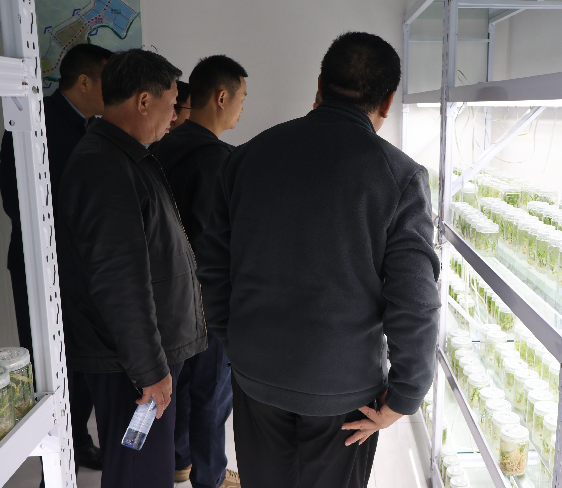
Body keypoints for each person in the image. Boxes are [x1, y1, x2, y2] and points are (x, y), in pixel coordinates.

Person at [197, 32, 441, 488]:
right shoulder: (400, 177)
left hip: (257, 375)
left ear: (319, 86)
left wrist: (238, 340)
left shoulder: (246, 159)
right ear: (387, 102)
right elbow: (415, 301)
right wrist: (405, 395)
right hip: (345, 392)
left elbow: (212, 268)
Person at [56, 49, 207, 488]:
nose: (175, 116)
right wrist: (149, 370)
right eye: (172, 103)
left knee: (147, 470)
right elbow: (119, 279)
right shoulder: (104, 165)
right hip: (131, 363)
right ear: (143, 101)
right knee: (141, 475)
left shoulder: (123, 156)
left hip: (140, 356)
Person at [0, 43, 114, 472]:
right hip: (42, 269)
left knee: (81, 361)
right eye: (107, 81)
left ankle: (76, 440)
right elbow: (17, 201)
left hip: (82, 270)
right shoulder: (34, 122)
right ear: (83, 82)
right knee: (49, 367)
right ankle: (54, 461)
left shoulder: (92, 126)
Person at [151, 55, 247, 488]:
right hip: (208, 299)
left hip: (163, 296)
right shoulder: (223, 161)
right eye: (241, 98)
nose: (242, 108)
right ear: (221, 97)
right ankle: (210, 476)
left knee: (178, 384)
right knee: (212, 390)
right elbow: (215, 241)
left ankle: (179, 460)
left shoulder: (160, 148)